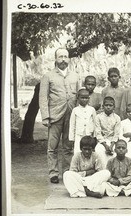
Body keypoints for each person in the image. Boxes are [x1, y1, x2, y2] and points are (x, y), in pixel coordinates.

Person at [39, 47, 80, 183]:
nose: (63, 59)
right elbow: (43, 98)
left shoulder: (75, 76)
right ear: (56, 59)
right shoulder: (48, 76)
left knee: (68, 146)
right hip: (55, 115)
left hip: (71, 115)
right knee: (52, 147)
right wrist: (45, 117)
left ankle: (67, 172)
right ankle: (53, 173)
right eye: (60, 56)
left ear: (69, 59)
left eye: (65, 56)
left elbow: (79, 96)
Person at [94, 96, 121, 168]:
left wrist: (111, 146)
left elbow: (116, 133)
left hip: (113, 141)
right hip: (102, 142)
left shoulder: (117, 118)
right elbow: (98, 133)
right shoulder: (98, 117)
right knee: (99, 150)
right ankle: (102, 170)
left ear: (114, 107)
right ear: (103, 106)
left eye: (110, 105)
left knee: (116, 151)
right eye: (106, 105)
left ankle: (113, 172)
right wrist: (105, 146)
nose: (108, 107)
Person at [69, 88, 97, 153]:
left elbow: (95, 123)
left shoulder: (92, 109)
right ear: (78, 98)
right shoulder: (75, 110)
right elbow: (72, 124)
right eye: (82, 98)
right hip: (78, 135)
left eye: (86, 98)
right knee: (78, 151)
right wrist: (71, 139)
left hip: (89, 134)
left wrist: (95, 136)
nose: (84, 100)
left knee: (89, 151)